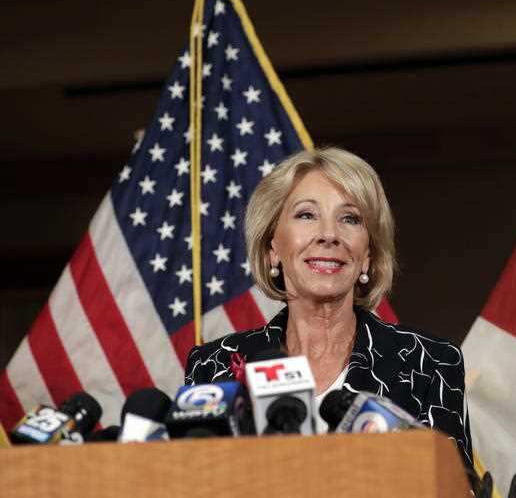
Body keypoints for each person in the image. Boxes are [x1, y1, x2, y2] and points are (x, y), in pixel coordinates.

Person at [184, 146, 472, 465]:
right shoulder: (213, 366)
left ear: (368, 254)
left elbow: (455, 495)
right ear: (272, 248)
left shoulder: (430, 363)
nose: (329, 235)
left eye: (349, 218)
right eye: (307, 214)